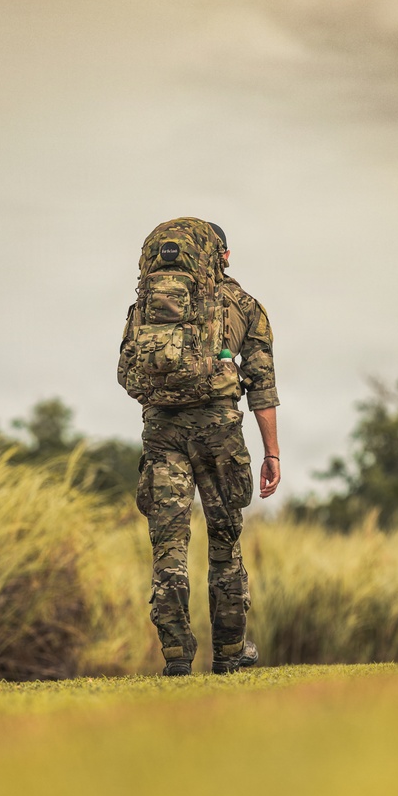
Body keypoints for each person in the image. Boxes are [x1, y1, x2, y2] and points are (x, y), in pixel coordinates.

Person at [119, 218, 280, 675]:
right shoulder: (245, 306)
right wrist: (272, 453)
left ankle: (175, 656)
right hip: (220, 435)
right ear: (223, 255)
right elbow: (262, 388)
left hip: (162, 433)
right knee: (224, 544)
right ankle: (230, 654)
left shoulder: (147, 305)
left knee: (167, 548)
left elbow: (127, 372)